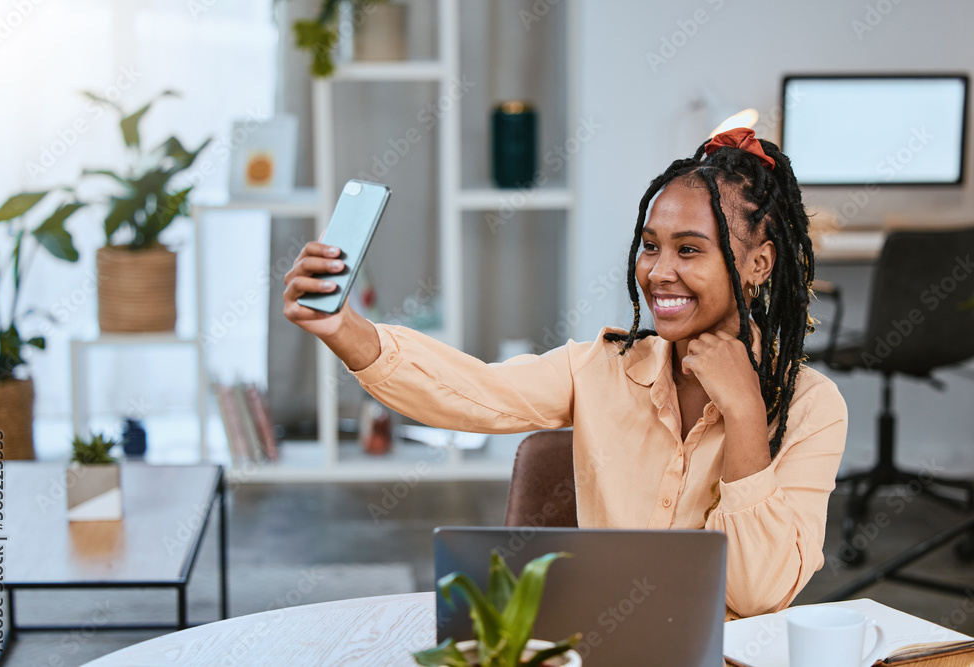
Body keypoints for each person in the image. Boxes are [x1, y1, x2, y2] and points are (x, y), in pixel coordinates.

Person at [283, 127, 847, 618]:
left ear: (759, 264)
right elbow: (474, 393)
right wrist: (344, 329)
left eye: (691, 250)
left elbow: (755, 594)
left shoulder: (811, 410)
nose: (659, 272)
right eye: (650, 246)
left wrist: (746, 411)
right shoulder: (601, 367)